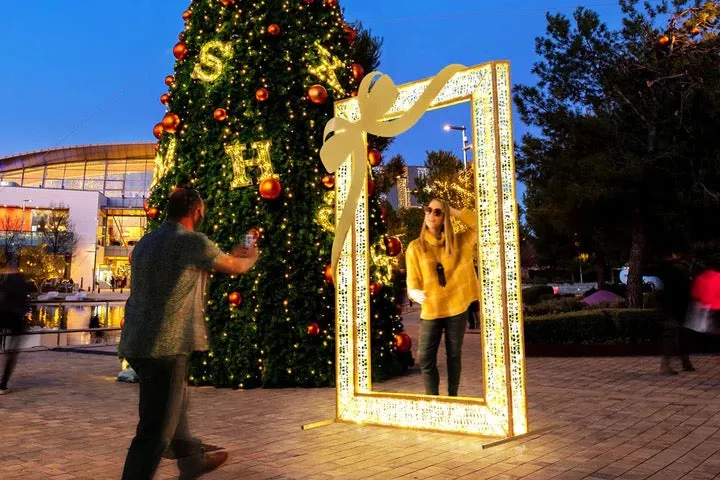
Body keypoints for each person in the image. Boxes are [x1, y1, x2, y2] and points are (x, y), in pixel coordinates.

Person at [118, 188, 259, 480]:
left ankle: (193, 462)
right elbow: (236, 267)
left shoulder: (148, 241)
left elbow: (208, 262)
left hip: (136, 341)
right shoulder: (191, 241)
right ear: (196, 211)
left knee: (174, 406)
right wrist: (251, 255)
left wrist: (229, 255)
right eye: (202, 211)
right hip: (166, 345)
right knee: (155, 429)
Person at [405, 199, 478, 396]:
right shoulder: (415, 247)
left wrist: (453, 210)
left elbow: (480, 223)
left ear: (445, 217)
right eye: (428, 210)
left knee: (453, 355)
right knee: (426, 357)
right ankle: (433, 399)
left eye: (437, 212)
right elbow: (412, 278)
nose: (431, 214)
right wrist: (412, 291)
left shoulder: (459, 242)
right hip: (432, 309)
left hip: (456, 308)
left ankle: (452, 397)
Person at [657, 252, 695, 375]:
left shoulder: (668, 270)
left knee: (679, 335)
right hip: (676, 307)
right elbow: (684, 288)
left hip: (673, 307)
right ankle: (668, 365)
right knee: (673, 335)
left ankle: (685, 362)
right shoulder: (675, 270)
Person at [0, 261, 33, 394]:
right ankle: (3, 384)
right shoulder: (23, 282)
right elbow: (29, 293)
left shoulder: (3, 282)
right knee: (12, 352)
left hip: (2, 316)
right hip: (16, 319)